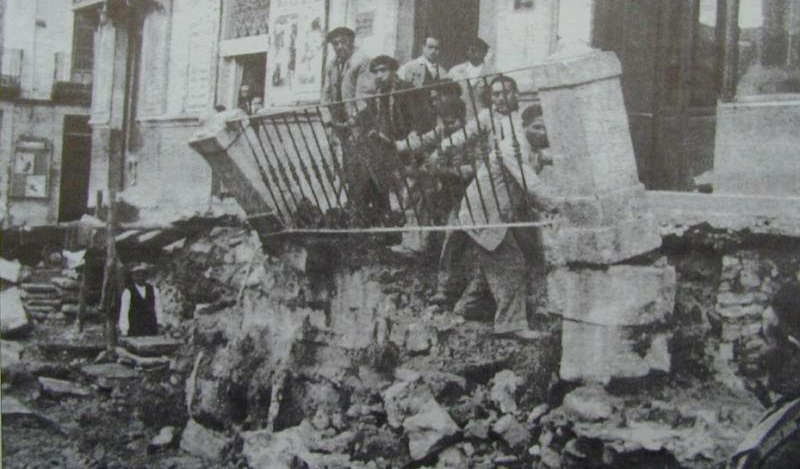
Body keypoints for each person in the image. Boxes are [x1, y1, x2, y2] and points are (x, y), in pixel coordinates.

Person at [423, 75, 561, 339]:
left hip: (495, 213)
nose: (545, 134)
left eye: (548, 130)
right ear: (527, 127)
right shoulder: (512, 146)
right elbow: (528, 181)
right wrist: (559, 205)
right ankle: (510, 324)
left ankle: (466, 307)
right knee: (511, 263)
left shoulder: (530, 146)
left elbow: (550, 156)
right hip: (484, 214)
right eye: (539, 128)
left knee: (493, 263)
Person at [448, 37, 493, 119]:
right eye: (469, 50)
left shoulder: (492, 73)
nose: (470, 52)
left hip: (483, 118)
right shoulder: (455, 71)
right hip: (460, 117)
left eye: (474, 50)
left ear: (484, 52)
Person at [118, 263, 162, 337]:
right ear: (133, 277)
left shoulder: (154, 290)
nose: (140, 277)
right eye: (137, 275)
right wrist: (124, 329)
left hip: (150, 327)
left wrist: (160, 323)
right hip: (135, 328)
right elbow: (124, 312)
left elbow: (158, 308)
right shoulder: (128, 292)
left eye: (142, 275)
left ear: (146, 276)